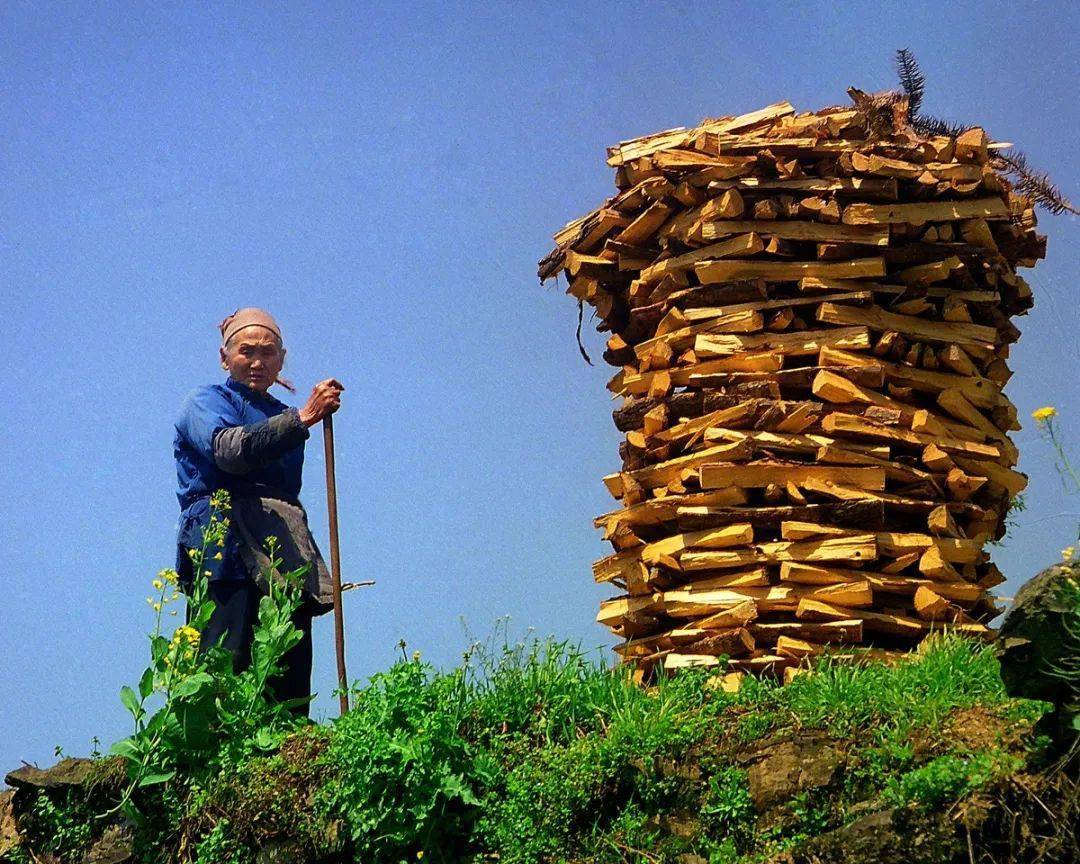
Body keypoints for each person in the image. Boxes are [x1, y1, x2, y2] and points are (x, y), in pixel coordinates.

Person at [172, 307, 344, 714]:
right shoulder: (204, 401)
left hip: (283, 544)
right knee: (224, 656)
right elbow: (230, 451)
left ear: (281, 359)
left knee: (286, 660)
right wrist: (303, 418)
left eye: (267, 353)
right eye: (246, 351)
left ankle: (284, 754)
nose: (256, 362)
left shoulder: (282, 416)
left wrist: (296, 420)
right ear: (224, 357)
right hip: (223, 538)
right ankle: (213, 755)